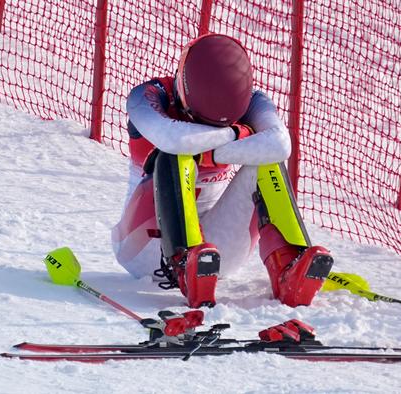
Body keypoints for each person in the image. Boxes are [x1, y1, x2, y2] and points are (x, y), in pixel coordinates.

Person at [112, 33, 333, 308]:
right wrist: (237, 134)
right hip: (146, 249)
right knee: (176, 156)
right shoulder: (147, 96)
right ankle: (184, 262)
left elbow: (279, 144)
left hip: (217, 255)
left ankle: (288, 265)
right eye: (201, 121)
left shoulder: (255, 100)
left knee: (267, 161)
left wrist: (211, 146)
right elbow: (175, 140)